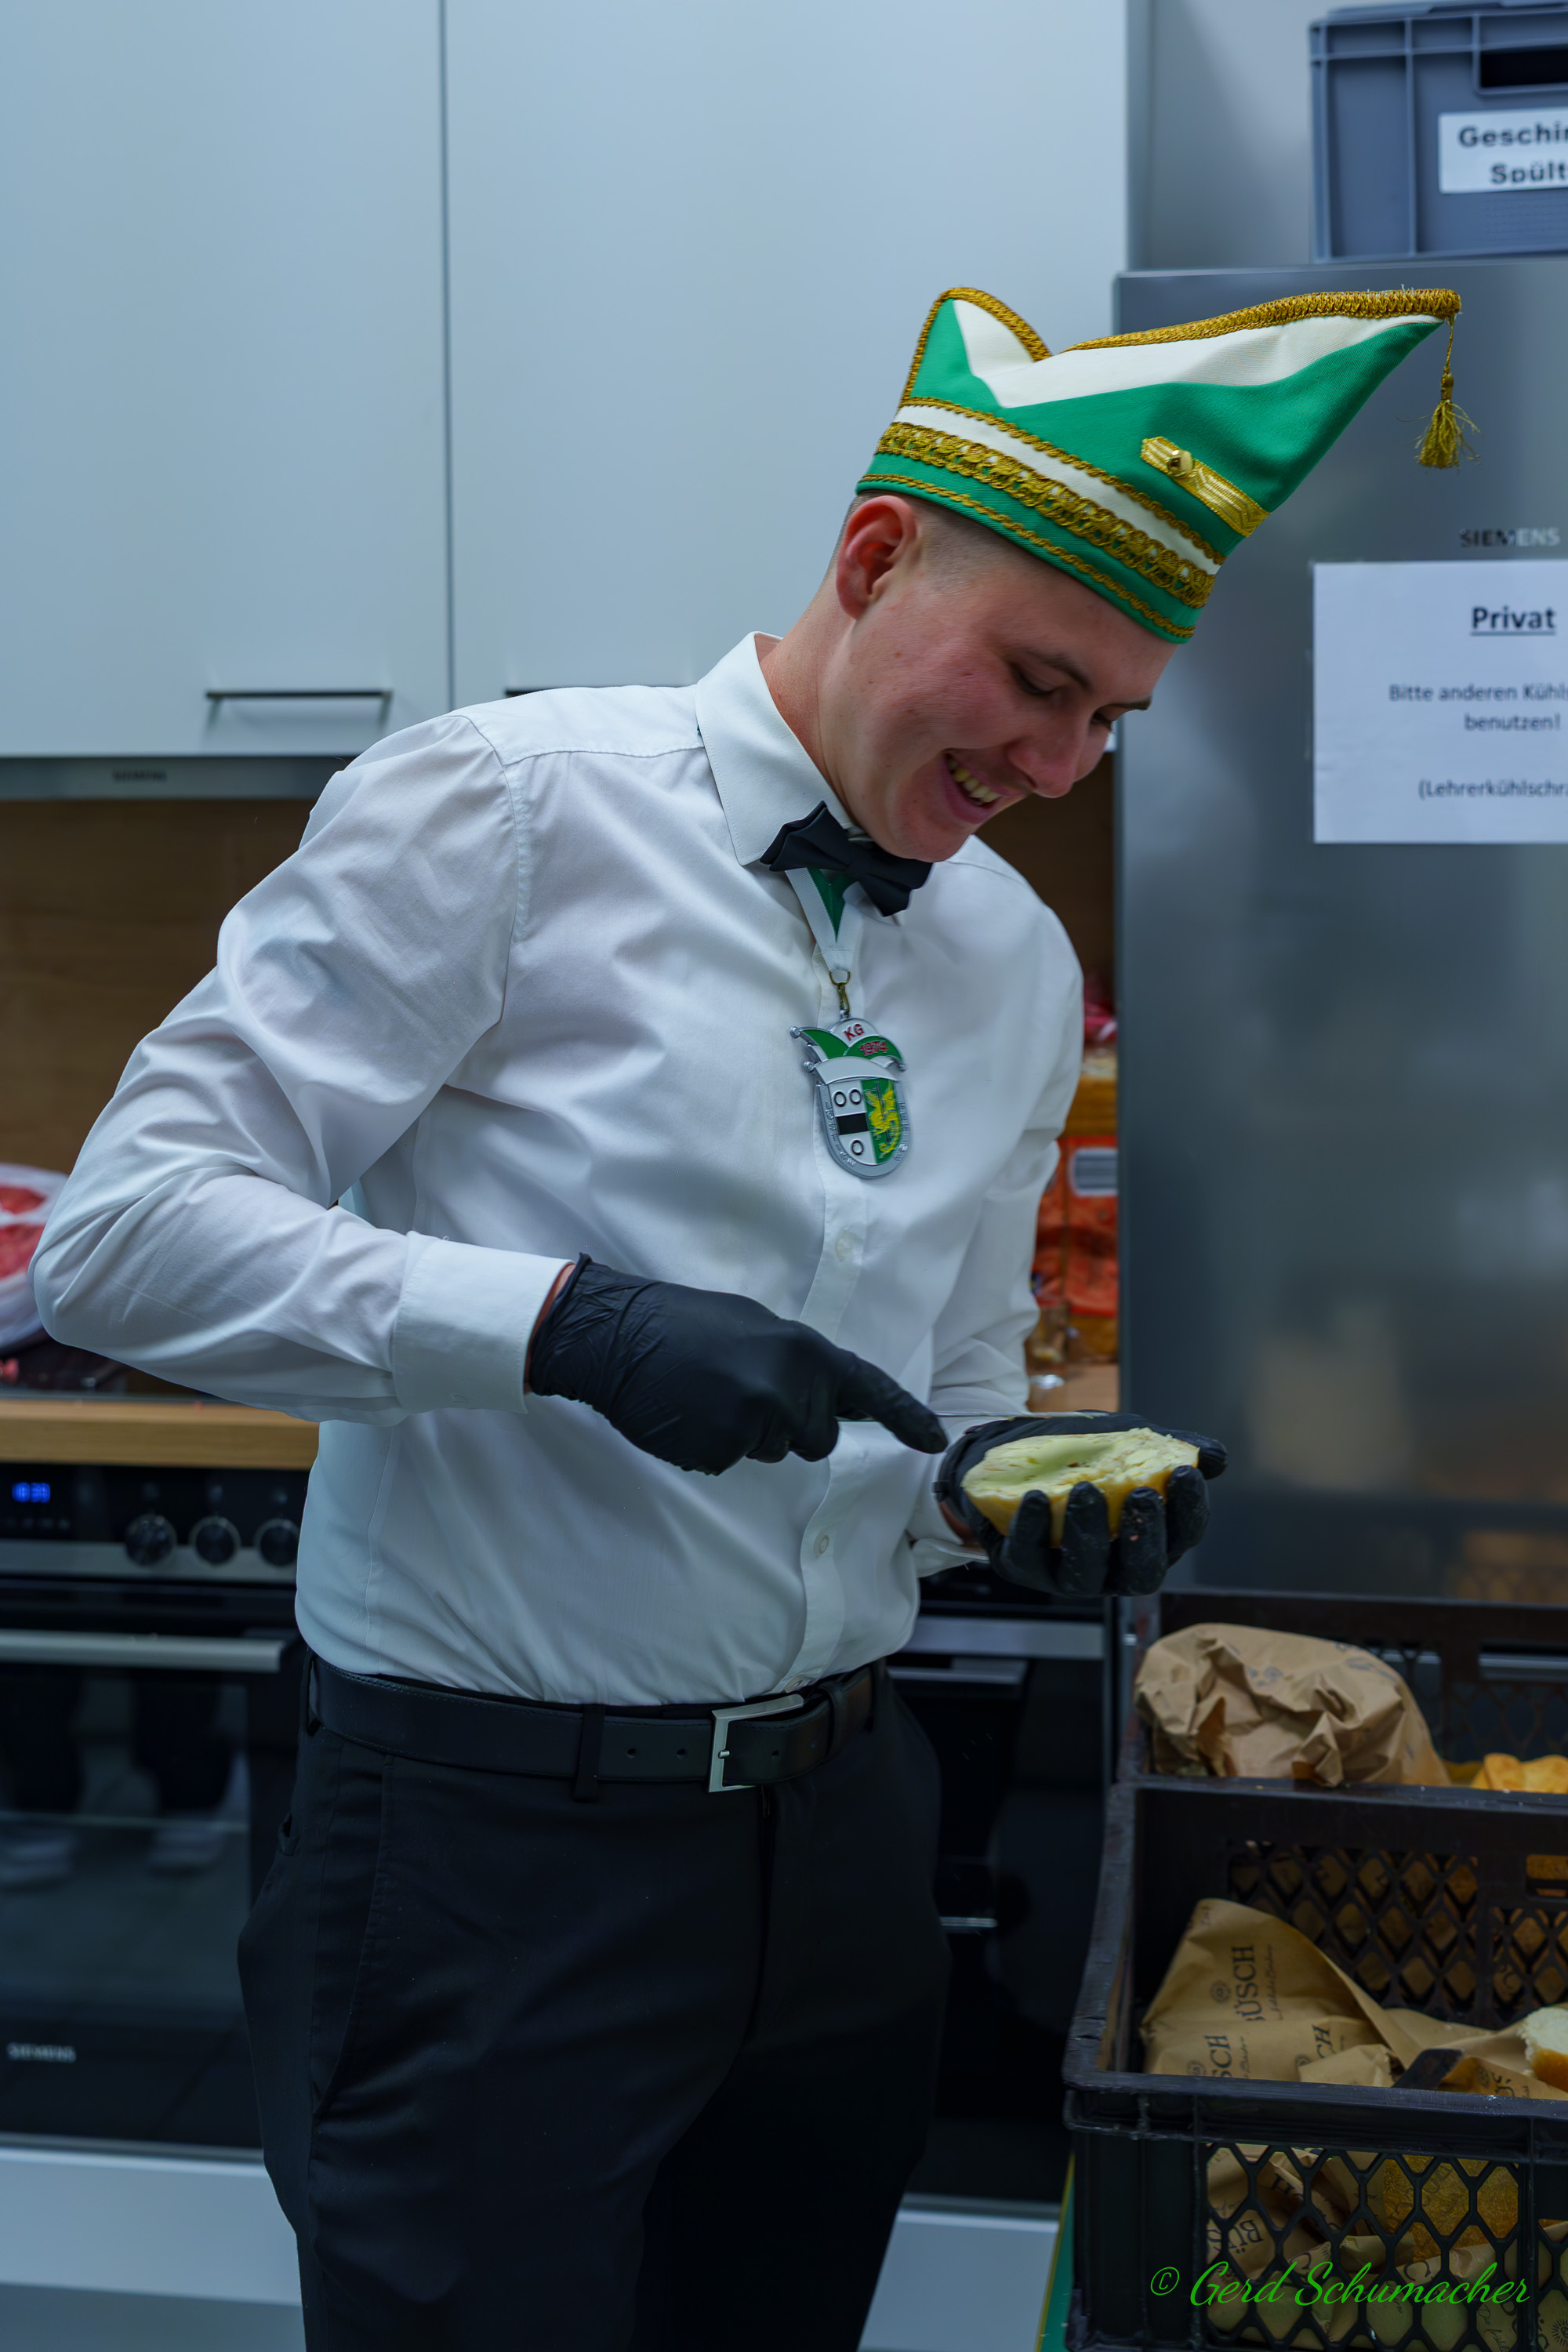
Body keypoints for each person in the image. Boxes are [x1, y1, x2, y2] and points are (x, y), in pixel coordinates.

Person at [33, 281, 1461, 2350]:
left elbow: (950, 1384)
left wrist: (1005, 1490)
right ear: (876, 558)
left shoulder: (1012, 964)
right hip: (484, 1849)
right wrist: (568, 1325)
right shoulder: (506, 808)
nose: (1059, 765)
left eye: (1110, 722)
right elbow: (124, 1235)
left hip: (846, 1842)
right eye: (1038, 682)